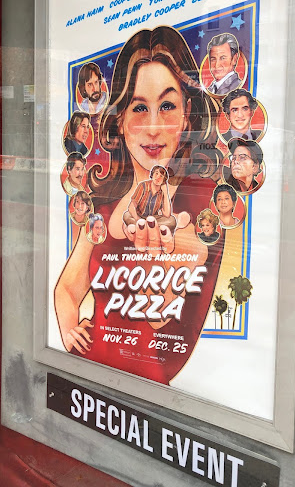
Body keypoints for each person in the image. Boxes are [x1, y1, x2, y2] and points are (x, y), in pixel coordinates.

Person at [54, 25, 224, 385]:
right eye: (139, 107)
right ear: (120, 118)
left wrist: (156, 262)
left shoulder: (201, 202)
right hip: (85, 374)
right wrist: (69, 331)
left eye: (167, 106)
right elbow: (66, 289)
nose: (153, 127)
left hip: (145, 391)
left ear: (187, 112)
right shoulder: (103, 208)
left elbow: (158, 316)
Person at [123, 165, 176, 233]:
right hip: (139, 216)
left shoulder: (162, 192)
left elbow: (167, 214)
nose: (158, 177)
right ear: (152, 175)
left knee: (172, 221)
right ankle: (148, 228)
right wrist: (138, 219)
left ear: (164, 180)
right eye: (156, 173)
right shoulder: (143, 186)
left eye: (161, 176)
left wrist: (166, 193)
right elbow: (131, 207)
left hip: (153, 219)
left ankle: (143, 228)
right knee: (127, 215)